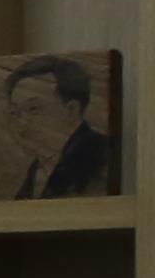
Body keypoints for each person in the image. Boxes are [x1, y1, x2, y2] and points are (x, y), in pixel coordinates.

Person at [10, 55, 115, 199]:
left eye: (33, 109)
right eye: (14, 113)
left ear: (72, 110)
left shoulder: (99, 157)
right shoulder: (37, 170)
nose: (21, 123)